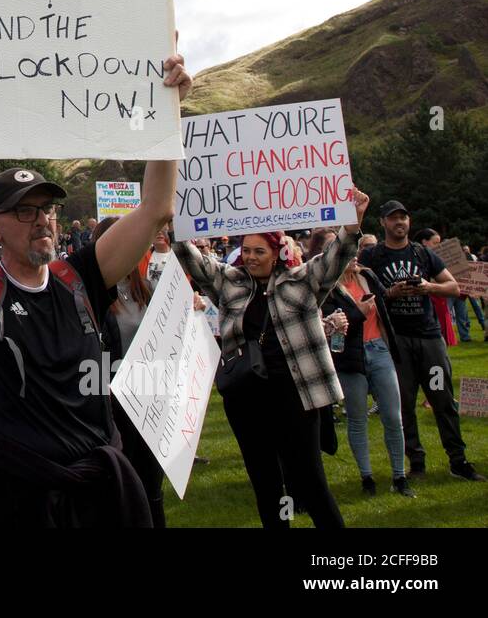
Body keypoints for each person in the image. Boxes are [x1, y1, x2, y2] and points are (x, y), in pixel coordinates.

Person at [0, 32, 192, 528]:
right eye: (24, 212)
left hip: (96, 489)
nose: (42, 220)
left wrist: (168, 113)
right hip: (16, 496)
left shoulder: (81, 275)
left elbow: (156, 208)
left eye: (47, 210)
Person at [174, 201, 370, 529]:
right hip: (247, 400)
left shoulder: (302, 280)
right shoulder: (230, 282)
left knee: (310, 482)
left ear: (277, 252)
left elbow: (337, 256)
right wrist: (174, 224)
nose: (250, 257)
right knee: (266, 484)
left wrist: (353, 221)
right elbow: (195, 264)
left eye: (259, 251)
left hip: (296, 396)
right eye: (246, 250)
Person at [359, 202, 484, 481]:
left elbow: (453, 287)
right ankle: (416, 463)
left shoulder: (423, 253)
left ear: (409, 221)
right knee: (403, 404)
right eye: (393, 219)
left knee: (443, 399)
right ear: (383, 223)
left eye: (403, 217)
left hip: (429, 338)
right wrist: (389, 293)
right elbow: (360, 296)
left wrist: (429, 287)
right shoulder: (372, 256)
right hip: (395, 339)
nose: (399, 223)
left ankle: (458, 460)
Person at [92, 216, 167, 528]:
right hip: (113, 403)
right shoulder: (91, 295)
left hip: (150, 398)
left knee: (151, 485)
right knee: (123, 485)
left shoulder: (142, 288)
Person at [323, 254, 413, 497]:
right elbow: (329, 327)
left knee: (394, 417)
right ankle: (367, 477)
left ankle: (400, 476)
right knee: (357, 418)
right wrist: (359, 312)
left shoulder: (367, 275)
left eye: (355, 252)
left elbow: (383, 298)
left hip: (379, 349)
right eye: (348, 253)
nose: (354, 257)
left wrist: (396, 290)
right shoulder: (327, 286)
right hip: (349, 357)